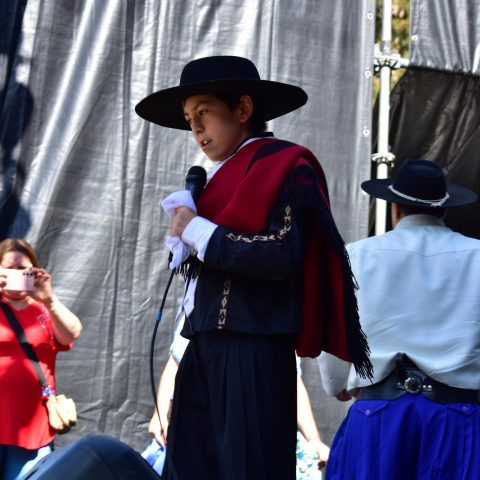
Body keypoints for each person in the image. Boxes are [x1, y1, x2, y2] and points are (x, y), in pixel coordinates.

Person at [135, 55, 371, 480]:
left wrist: (198, 231)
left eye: (204, 112)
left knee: (249, 468)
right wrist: (187, 241)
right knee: (190, 469)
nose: (196, 129)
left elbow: (281, 251)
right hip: (201, 346)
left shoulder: (288, 164)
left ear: (243, 108)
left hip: (253, 347)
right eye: (189, 119)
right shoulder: (213, 180)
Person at [318, 159, 480, 479]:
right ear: (444, 210)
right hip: (457, 418)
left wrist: (336, 383)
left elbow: (334, 336)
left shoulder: (353, 256)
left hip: (377, 416)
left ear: (395, 209)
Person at [146, 313, 330, 479]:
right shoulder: (203, 309)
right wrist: (159, 416)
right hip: (205, 426)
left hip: (252, 425)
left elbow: (292, 381)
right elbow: (176, 361)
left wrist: (313, 438)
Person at [0, 238, 83, 480]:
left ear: (34, 270)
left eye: (22, 269)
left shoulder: (43, 308)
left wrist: (49, 299)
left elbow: (72, 332)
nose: (16, 274)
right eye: (9, 269)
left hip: (33, 430)